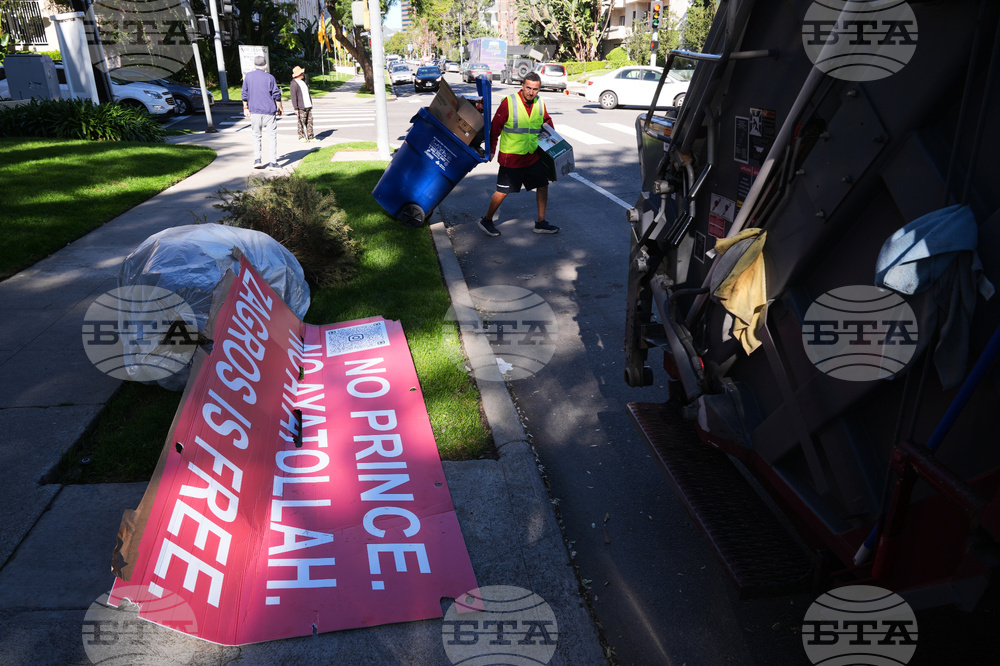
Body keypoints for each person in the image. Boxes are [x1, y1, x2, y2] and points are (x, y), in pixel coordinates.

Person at [477, 72, 560, 237]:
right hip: (512, 157)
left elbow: (547, 122)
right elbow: (495, 128)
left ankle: (541, 222)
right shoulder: (509, 102)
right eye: (528, 88)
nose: (531, 92)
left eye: (535, 89)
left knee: (543, 185)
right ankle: (486, 220)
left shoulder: (540, 103)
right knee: (503, 191)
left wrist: (554, 142)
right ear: (522, 86)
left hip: (532, 155)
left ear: (539, 89)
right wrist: (491, 149)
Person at [241, 55, 283, 169]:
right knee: (271, 137)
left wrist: (245, 108)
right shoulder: (270, 78)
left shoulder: (248, 77)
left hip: (254, 111)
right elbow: (276, 94)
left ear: (254, 65)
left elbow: (244, 94)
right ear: (265, 65)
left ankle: (257, 160)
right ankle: (273, 162)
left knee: (256, 136)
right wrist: (280, 107)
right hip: (269, 111)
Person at [290, 65, 317, 143]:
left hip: (308, 105)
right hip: (301, 106)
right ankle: (301, 136)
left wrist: (310, 103)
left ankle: (310, 137)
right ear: (298, 74)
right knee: (301, 122)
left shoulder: (303, 82)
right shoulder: (294, 84)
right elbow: (294, 97)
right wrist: (295, 108)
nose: (303, 74)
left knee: (310, 121)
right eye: (301, 73)